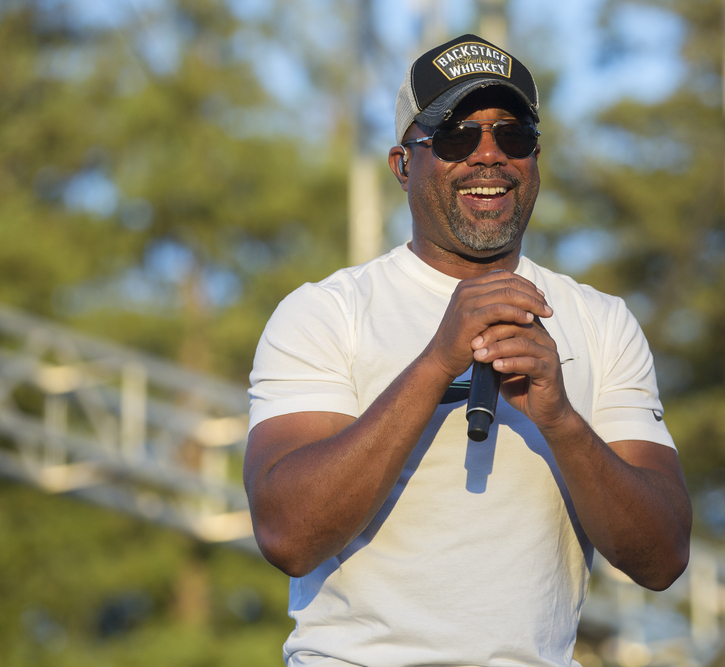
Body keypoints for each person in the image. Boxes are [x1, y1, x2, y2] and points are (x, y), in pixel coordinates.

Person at [244, 33, 692, 667]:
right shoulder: (326, 313)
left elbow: (663, 557)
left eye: (512, 136)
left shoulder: (601, 322)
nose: (489, 156)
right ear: (404, 164)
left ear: (535, 157)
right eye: (456, 137)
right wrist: (435, 365)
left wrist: (561, 420)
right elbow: (288, 534)